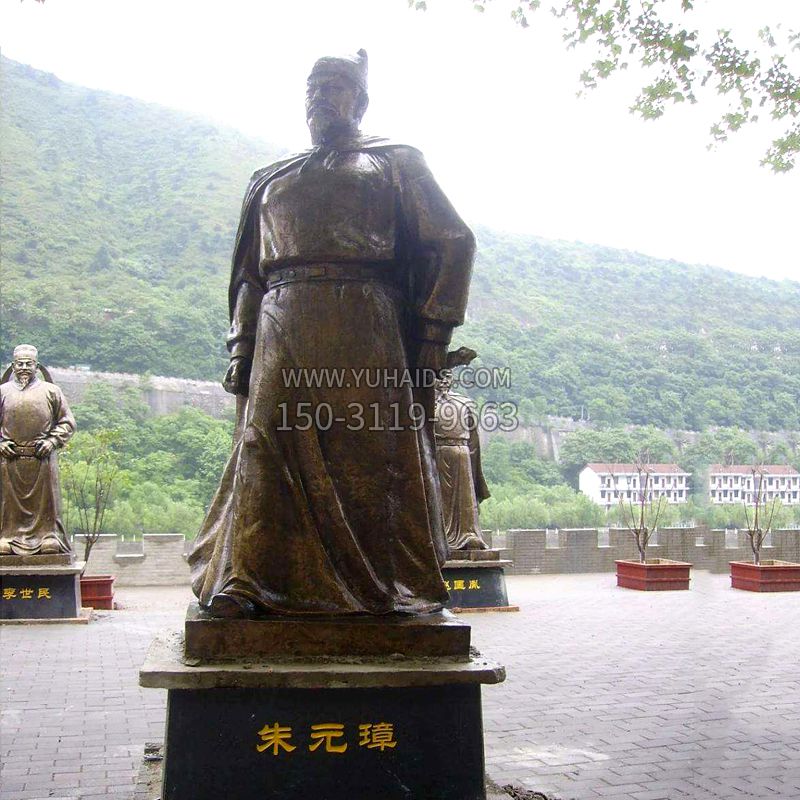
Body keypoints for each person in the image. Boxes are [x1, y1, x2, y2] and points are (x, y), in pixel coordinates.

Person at [189, 50, 476, 617]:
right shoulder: (271, 178)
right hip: (283, 317)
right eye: (312, 87)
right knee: (263, 441)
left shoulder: (395, 162)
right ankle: (249, 581)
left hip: (366, 320)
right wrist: (242, 345)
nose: (319, 96)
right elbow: (248, 274)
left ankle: (386, 587)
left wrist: (433, 332)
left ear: (360, 100)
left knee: (372, 452)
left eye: (333, 86)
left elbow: (453, 242)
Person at [0, 345, 76, 556]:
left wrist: (52, 441)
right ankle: (8, 537)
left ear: (37, 366)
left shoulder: (51, 392)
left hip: (42, 459)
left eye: (29, 363)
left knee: (46, 503)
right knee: (8, 503)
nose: (24, 367)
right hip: (10, 460)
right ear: (13, 366)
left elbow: (67, 422)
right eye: (20, 364)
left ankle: (47, 536)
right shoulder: (3, 392)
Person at [434, 364, 491, 553]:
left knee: (464, 497)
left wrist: (474, 468)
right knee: (438, 495)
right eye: (439, 377)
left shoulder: (465, 403)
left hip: (462, 453)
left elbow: (474, 440)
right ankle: (439, 536)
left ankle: (469, 534)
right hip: (437, 453)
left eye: (447, 376)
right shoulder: (425, 405)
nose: (444, 381)